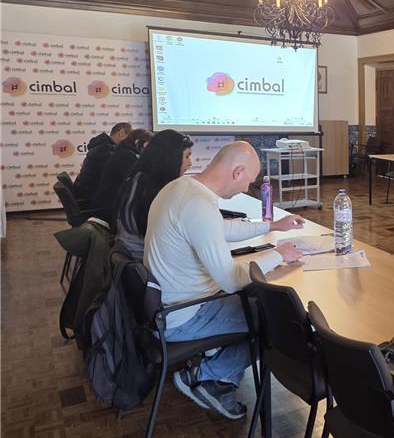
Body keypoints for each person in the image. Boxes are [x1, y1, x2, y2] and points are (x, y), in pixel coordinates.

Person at [145, 141, 305, 420]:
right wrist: (279, 255)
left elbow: (220, 228)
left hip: (167, 306)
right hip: (184, 316)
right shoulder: (198, 205)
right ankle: (210, 377)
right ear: (237, 171)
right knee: (276, 323)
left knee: (256, 300)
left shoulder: (180, 187)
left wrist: (272, 226)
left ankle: (215, 362)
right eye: (248, 181)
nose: (246, 188)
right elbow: (232, 280)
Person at [113, 130, 193, 261]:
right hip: (145, 261)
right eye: (187, 156)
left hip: (129, 256)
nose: (190, 163)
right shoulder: (158, 192)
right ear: (171, 157)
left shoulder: (136, 180)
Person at [89, 128, 153, 225]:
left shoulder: (123, 153)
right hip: (108, 209)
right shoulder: (126, 157)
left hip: (110, 204)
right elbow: (136, 183)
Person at [73, 122, 132, 206]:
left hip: (86, 193)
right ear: (121, 133)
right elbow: (112, 178)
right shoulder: (105, 150)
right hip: (91, 199)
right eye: (129, 137)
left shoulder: (103, 146)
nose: (130, 142)